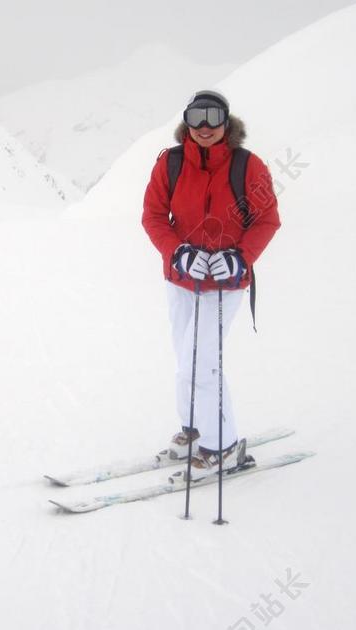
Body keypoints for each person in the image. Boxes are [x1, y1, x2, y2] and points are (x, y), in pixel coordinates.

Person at [141, 90, 280, 481]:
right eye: (196, 116)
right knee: (186, 358)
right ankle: (194, 427)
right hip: (182, 279)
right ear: (186, 119)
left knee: (202, 362)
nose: (204, 126)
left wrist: (240, 257)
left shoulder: (247, 166)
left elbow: (267, 220)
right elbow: (153, 215)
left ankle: (223, 446)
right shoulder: (170, 163)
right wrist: (177, 252)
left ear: (226, 122)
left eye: (213, 117)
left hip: (225, 283)